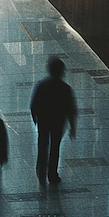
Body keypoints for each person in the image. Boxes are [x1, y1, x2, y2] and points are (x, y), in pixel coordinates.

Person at [30, 57, 77, 185]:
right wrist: (72, 126)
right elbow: (71, 109)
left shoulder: (41, 86)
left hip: (44, 121)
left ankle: (41, 171)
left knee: (42, 145)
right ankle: (52, 174)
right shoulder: (65, 88)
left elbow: (33, 105)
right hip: (58, 122)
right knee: (55, 147)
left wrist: (36, 119)